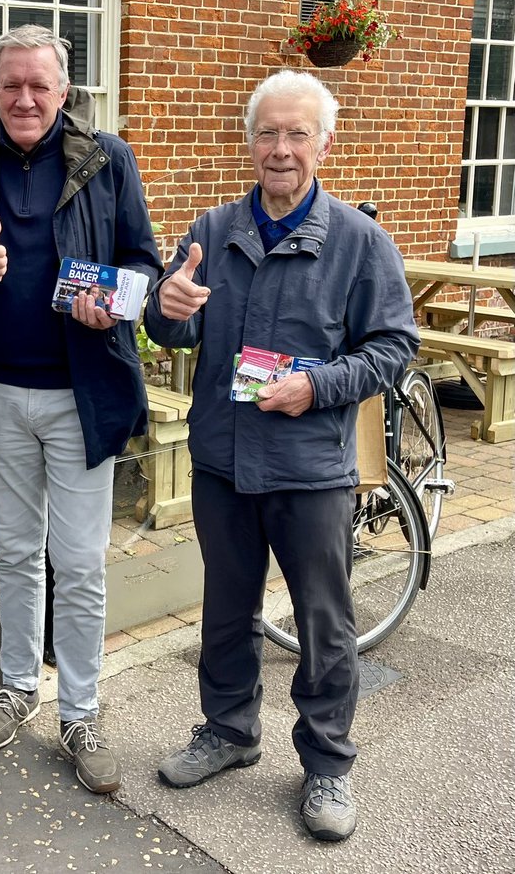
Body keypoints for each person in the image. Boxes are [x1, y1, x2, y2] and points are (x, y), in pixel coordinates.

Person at [143, 70, 419, 842]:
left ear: (324, 143)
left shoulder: (361, 243)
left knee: (324, 622)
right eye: (269, 132)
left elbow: (394, 347)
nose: (282, 148)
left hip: (310, 467)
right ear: (250, 140)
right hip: (224, 463)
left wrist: (318, 386)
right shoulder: (211, 229)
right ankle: (229, 732)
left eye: (298, 134)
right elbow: (174, 331)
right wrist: (166, 311)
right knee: (227, 611)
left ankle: (328, 761)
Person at [0, 24, 162, 794]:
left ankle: (81, 711)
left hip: (81, 392)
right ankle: (19, 687)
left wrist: (113, 305)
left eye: (39, 85)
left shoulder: (107, 158)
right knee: (19, 550)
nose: (24, 98)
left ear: (64, 92)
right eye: (10, 85)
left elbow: (142, 261)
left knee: (81, 562)